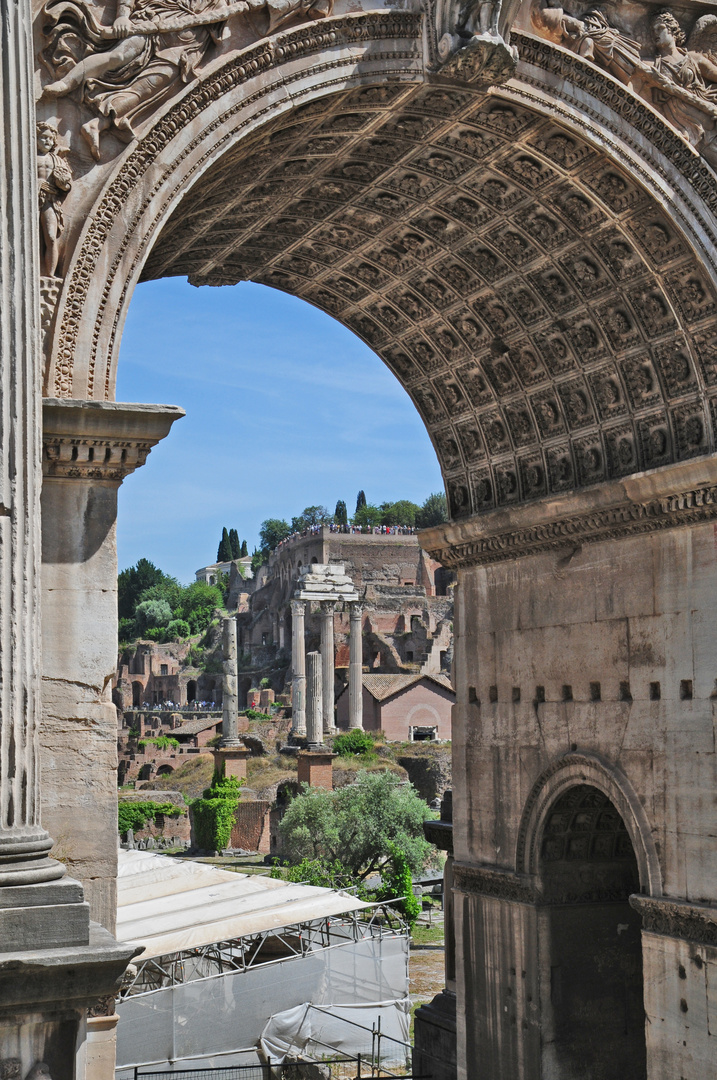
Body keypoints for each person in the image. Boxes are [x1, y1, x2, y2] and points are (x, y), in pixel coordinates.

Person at [36, 122, 72, 277]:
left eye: (50, 139)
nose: (47, 141)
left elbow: (67, 186)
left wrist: (62, 182)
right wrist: (38, 183)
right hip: (31, 200)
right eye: (43, 137)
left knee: (51, 237)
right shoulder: (29, 157)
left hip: (49, 200)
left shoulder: (57, 160)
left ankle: (50, 274)